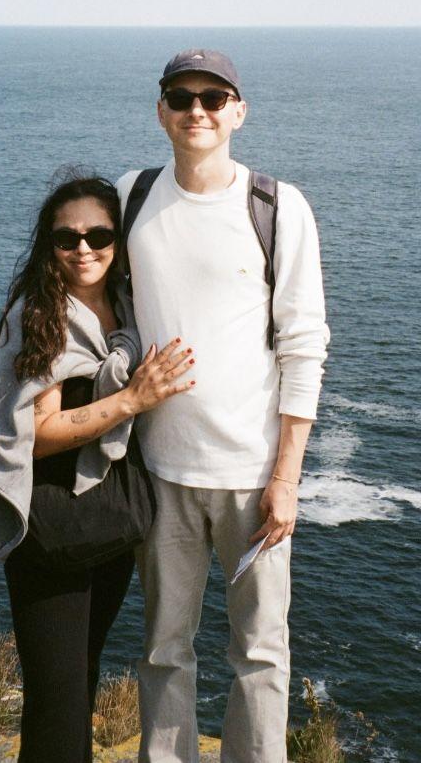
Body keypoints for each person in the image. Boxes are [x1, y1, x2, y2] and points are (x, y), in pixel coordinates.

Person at [117, 50, 330, 763]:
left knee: (261, 653)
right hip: (160, 470)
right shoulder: (131, 196)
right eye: (181, 97)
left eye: (214, 97)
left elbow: (304, 344)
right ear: (161, 112)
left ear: (239, 111)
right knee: (162, 649)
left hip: (252, 475)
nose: (197, 110)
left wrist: (286, 478)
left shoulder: (277, 207)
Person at [0, 173, 196, 763]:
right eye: (66, 238)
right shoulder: (41, 316)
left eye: (99, 235)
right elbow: (33, 436)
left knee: (81, 681)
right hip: (51, 532)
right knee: (55, 698)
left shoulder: (126, 307)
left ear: (118, 241)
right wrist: (130, 400)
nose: (83, 249)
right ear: (48, 245)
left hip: (108, 525)